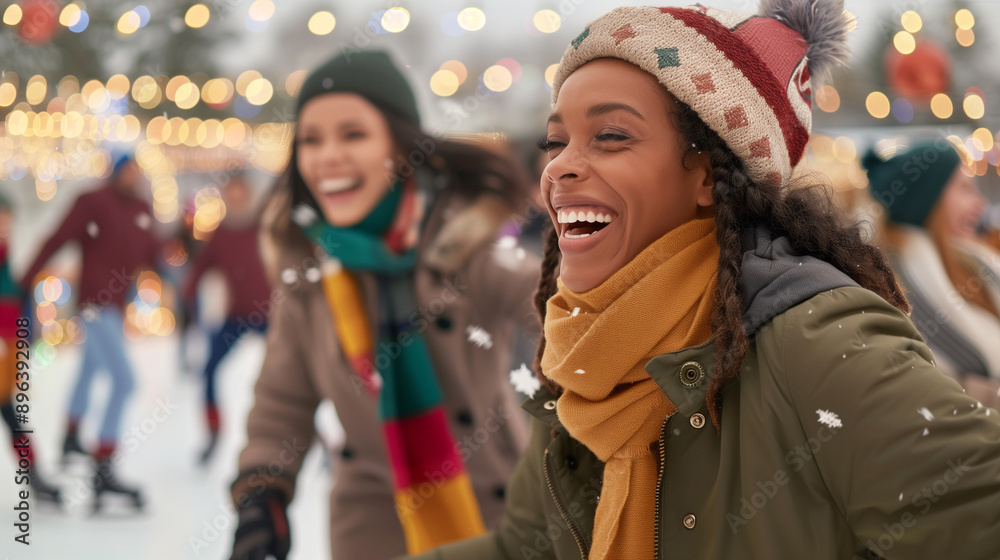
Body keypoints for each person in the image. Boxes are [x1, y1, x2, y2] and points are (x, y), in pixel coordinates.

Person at [410, 2, 1000, 559]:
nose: (559, 166)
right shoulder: (581, 358)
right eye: (555, 141)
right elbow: (524, 548)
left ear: (705, 173)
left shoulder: (815, 336)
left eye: (611, 136)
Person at [228, 50, 540, 560]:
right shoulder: (311, 272)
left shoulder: (464, 242)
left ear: (401, 147)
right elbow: (283, 401)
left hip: (493, 511)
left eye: (353, 134)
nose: (327, 155)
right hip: (370, 527)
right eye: (311, 139)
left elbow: (561, 311)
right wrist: (263, 493)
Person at [20, 154, 161, 512]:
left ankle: (70, 436)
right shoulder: (94, 202)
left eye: (137, 169)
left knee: (91, 369)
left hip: (116, 304)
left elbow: (152, 254)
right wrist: (27, 278)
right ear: (115, 170)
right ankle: (103, 466)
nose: (134, 174)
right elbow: (58, 238)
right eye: (128, 167)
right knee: (125, 381)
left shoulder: (141, 208)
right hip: (94, 304)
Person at [864, 140, 1000, 408]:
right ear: (928, 200)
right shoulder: (899, 282)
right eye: (964, 189)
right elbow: (933, 394)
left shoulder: (969, 259)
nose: (980, 204)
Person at [181, 174, 271, 464]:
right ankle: (213, 432)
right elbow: (200, 269)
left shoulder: (264, 226)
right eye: (230, 193)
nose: (235, 197)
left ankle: (316, 439)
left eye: (239, 192)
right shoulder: (221, 233)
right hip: (236, 316)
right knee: (209, 371)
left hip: (270, 315)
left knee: (291, 375)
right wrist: (188, 291)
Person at [0, 195, 62, 506]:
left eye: (6, 217)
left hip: (7, 349)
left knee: (11, 414)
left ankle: (33, 473)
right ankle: (34, 474)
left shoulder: (11, 252)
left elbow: (21, 301)